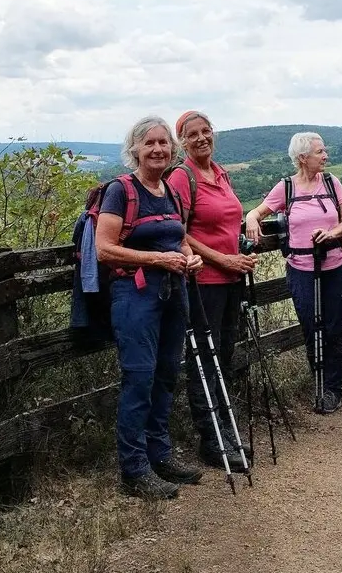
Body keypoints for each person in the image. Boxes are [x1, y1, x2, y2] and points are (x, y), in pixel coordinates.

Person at [95, 115, 205, 499]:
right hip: (135, 295)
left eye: (163, 143)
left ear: (172, 150)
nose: (158, 149)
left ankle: (160, 455)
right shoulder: (120, 191)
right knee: (139, 379)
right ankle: (134, 469)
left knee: (166, 376)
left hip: (174, 293)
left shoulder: (170, 192)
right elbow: (104, 248)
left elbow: (180, 239)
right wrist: (158, 261)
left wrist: (190, 257)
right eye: (149, 144)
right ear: (135, 151)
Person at [167, 110, 254, 472]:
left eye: (206, 131)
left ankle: (226, 430)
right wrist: (224, 259)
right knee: (205, 360)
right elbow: (178, 232)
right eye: (193, 134)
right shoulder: (181, 176)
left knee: (224, 357)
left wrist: (242, 246)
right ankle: (212, 439)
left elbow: (228, 221)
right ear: (182, 142)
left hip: (231, 281)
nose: (202, 138)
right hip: (204, 283)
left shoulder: (220, 173)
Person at [244, 132, 342, 413]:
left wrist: (331, 233)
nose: (325, 156)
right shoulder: (286, 187)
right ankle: (319, 381)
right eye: (320, 152)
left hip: (334, 265)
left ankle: (333, 388)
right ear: (303, 158)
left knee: (335, 327)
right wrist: (251, 218)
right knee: (310, 326)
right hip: (301, 269)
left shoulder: (331, 182)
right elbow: (258, 212)